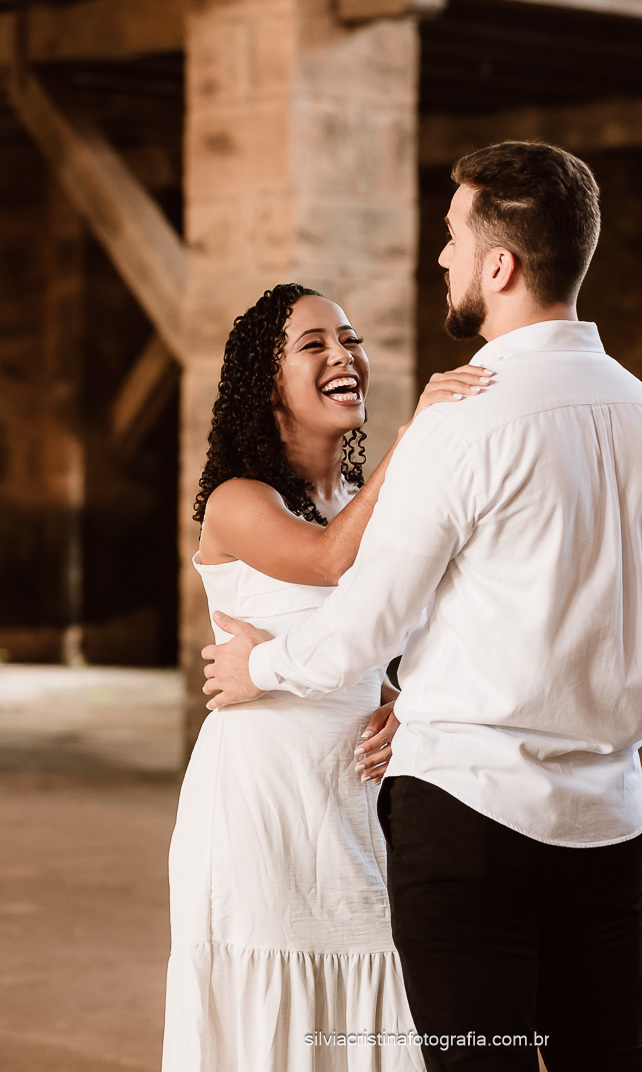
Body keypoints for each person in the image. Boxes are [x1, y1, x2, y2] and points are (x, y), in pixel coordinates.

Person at [203, 142, 642, 1071]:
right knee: (606, 1057)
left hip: (466, 816)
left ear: (500, 265)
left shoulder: (464, 423)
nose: (440, 258)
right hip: (610, 816)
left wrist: (260, 665)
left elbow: (367, 627)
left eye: (451, 238)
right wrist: (593, 729)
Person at [161, 282, 491, 1072]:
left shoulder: (356, 498)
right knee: (270, 999)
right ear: (266, 381)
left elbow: (375, 635)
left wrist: (396, 701)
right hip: (261, 794)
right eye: (314, 344)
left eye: (350, 339)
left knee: (378, 975)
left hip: (355, 791)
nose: (344, 356)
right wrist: (413, 445)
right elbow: (325, 560)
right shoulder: (239, 502)